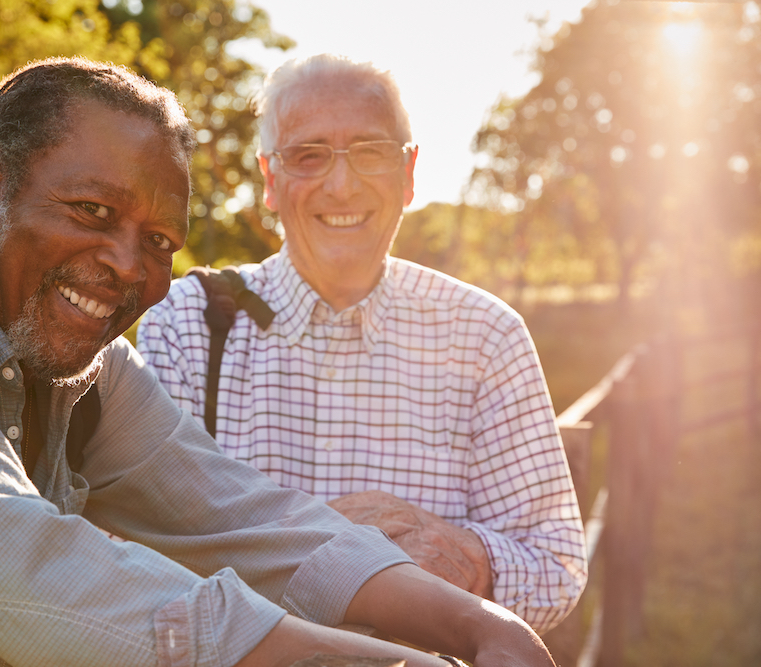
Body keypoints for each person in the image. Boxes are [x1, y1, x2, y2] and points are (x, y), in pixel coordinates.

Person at [0, 57, 555, 667]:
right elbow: (24, 565)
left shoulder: (89, 376)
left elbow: (244, 518)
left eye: (159, 242)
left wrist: (481, 624)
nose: (125, 264)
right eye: (93, 211)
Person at [138, 54, 588, 634]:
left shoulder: (486, 336)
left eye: (371, 152)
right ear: (271, 180)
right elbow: (138, 550)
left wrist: (460, 554)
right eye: (309, 154)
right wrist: (328, 561)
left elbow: (557, 567)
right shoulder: (186, 325)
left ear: (409, 174)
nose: (342, 184)